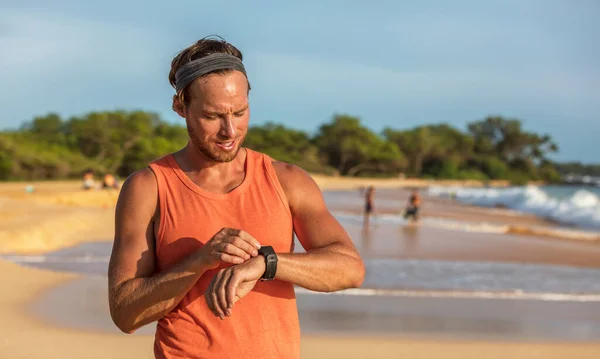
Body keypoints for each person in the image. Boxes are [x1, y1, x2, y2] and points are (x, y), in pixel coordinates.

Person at [107, 36, 365, 359]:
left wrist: (266, 263)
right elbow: (124, 313)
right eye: (213, 116)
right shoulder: (149, 187)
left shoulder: (286, 180)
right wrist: (200, 261)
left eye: (240, 112)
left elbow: (350, 268)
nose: (230, 131)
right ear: (180, 107)